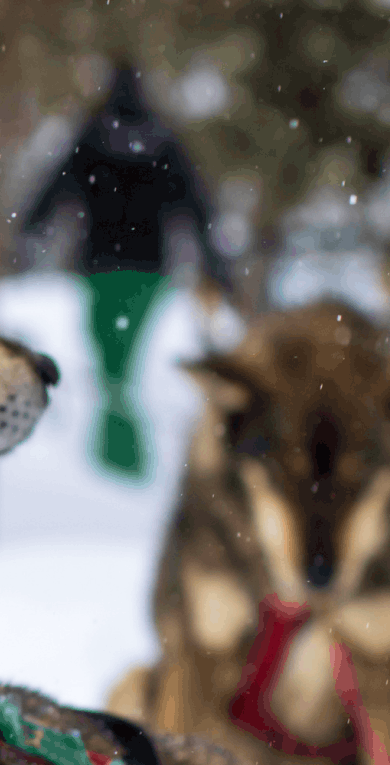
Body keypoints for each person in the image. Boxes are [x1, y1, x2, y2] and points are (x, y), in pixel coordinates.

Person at [22, 64, 232, 481]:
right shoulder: (163, 141)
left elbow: (56, 188)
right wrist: (215, 264)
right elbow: (193, 204)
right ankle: (124, 457)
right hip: (149, 269)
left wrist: (31, 228)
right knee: (123, 360)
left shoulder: (92, 137)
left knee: (108, 360)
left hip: (99, 265)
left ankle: (116, 459)